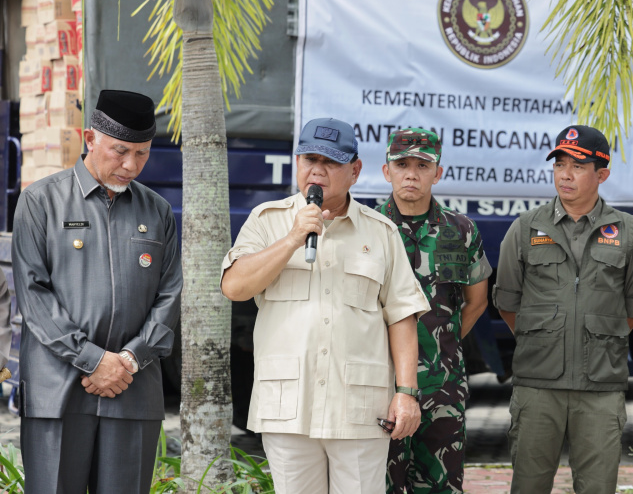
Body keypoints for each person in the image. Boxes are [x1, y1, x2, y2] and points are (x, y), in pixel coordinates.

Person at [220, 117, 430, 494]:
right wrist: (292, 239)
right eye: (308, 158)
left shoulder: (381, 232)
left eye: (330, 161)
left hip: (360, 410)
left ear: (355, 170)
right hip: (288, 409)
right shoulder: (268, 221)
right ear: (296, 163)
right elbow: (234, 286)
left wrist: (407, 392)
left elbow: (401, 315)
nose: (317, 170)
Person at [12, 89, 182, 493]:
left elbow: (170, 294)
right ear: (90, 139)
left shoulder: (156, 211)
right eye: (120, 151)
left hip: (132, 389)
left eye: (142, 153)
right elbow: (35, 296)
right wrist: (92, 360)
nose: (131, 165)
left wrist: (129, 359)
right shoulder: (41, 201)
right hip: (60, 392)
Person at [493, 125, 633, 494]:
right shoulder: (526, 227)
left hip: (600, 387)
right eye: (559, 164)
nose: (565, 174)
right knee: (528, 486)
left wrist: (595, 337)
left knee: (597, 488)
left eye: (578, 166)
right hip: (537, 385)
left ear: (602, 174)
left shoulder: (628, 231)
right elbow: (508, 302)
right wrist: (546, 337)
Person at [377, 128, 492, 494]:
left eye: (422, 165)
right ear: (386, 171)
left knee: (440, 487)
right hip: (381, 384)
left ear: (437, 173)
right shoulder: (367, 227)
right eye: (403, 164)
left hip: (442, 388)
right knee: (379, 485)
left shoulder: (461, 231)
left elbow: (476, 302)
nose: (411, 174)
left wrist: (442, 345)